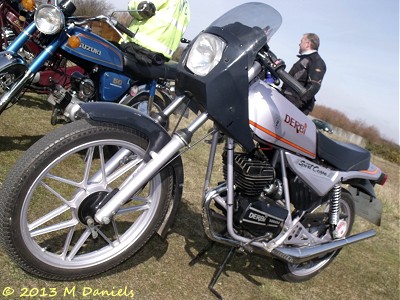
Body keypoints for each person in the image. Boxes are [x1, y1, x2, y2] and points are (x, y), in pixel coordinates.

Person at [120, 0, 190, 65]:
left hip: (138, 47)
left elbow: (139, 7)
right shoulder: (186, 7)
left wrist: (133, 4)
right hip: (159, 58)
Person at [282, 33, 326, 115]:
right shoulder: (305, 59)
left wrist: (296, 106)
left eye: (301, 41)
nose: (299, 43)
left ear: (307, 44)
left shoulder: (316, 61)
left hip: (294, 106)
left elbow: (314, 87)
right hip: (286, 100)